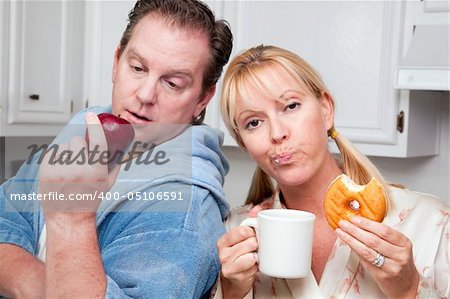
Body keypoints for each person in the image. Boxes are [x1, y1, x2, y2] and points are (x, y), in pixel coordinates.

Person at [0, 0, 233, 298]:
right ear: (116, 62)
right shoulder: (83, 129)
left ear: (202, 99)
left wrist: (72, 218)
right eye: (137, 67)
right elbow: (6, 218)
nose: (145, 94)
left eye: (173, 83)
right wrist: (40, 285)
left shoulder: (184, 209)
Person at [214, 45, 449, 298]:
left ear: (326, 110)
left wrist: (407, 289)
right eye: (254, 122)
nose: (277, 133)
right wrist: (232, 291)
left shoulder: (431, 222)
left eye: (290, 106)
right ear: (243, 143)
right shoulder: (234, 233)